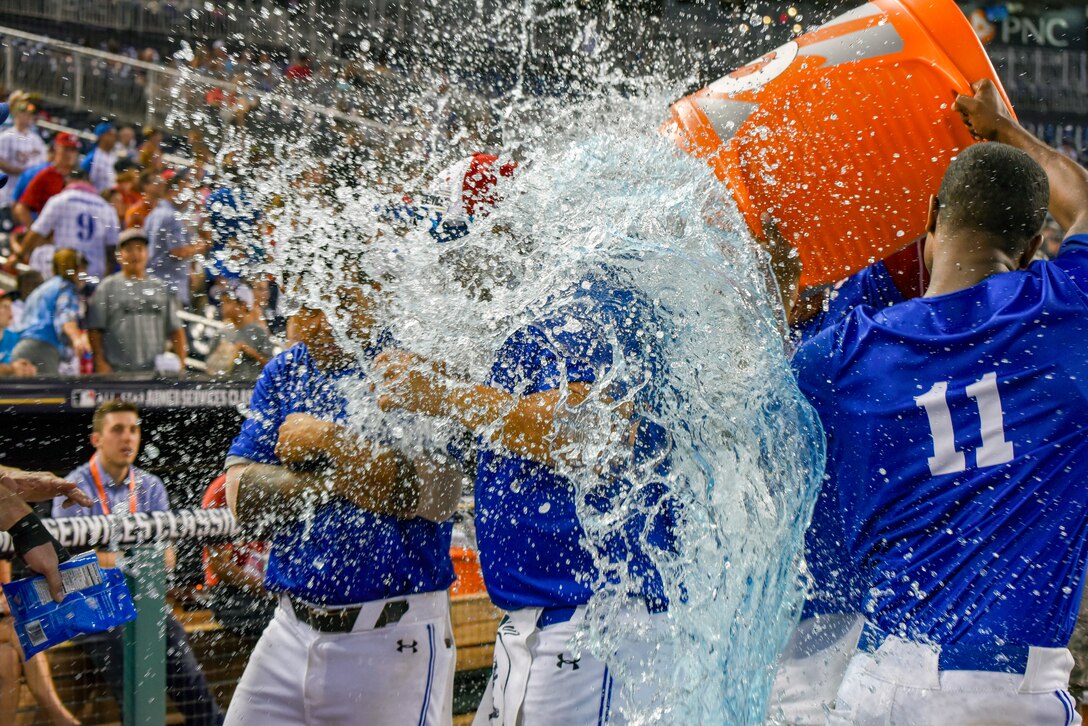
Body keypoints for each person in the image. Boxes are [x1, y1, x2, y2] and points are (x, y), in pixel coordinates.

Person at [788, 79, 1088, 724]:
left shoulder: (839, 357)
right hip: (1004, 692)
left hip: (875, 684)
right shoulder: (1069, 313)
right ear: (1036, 245)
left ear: (930, 218)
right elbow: (1084, 197)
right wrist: (1006, 129)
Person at [376, 267, 676, 724]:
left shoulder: (591, 295)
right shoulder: (540, 300)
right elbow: (515, 413)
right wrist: (445, 383)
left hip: (592, 621)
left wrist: (441, 393)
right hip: (540, 620)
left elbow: (594, 432)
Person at [221, 268, 461, 726]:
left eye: (325, 303)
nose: (306, 323)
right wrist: (356, 477)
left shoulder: (409, 367)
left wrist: (329, 443)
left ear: (365, 292)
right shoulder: (286, 369)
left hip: (392, 634)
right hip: (289, 628)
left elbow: (433, 494)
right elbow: (242, 498)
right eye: (303, 304)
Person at [52, 400, 223, 725]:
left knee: (181, 659)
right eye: (117, 430)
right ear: (97, 439)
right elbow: (76, 568)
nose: (128, 438)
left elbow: (166, 558)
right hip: (93, 605)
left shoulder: (150, 486)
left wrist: (113, 560)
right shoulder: (73, 488)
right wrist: (131, 560)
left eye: (133, 429)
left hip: (143, 599)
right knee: (131, 672)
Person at [86, 228, 186, 374]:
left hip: (154, 375)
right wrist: (100, 361)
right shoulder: (107, 288)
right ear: (119, 256)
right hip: (117, 372)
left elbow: (176, 330)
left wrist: (181, 364)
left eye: (140, 249)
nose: (135, 254)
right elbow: (95, 329)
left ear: (147, 253)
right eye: (129, 249)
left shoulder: (160, 287)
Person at [199, 474, 273, 637]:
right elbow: (219, 566)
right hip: (231, 591)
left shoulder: (278, 482)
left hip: (267, 583)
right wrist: (268, 589)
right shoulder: (222, 488)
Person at [20, 169, 121, 281]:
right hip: (94, 275)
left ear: (69, 181)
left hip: (66, 270)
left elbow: (37, 231)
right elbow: (111, 250)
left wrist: (18, 256)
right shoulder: (107, 208)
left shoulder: (61, 199)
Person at [9, 249, 90, 375]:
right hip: (43, 349)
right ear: (74, 268)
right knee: (48, 394)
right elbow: (66, 316)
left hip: (21, 349)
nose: (85, 274)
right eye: (83, 269)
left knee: (21, 394)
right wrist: (76, 338)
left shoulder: (45, 288)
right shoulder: (65, 288)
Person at [144, 169, 210, 306]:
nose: (189, 197)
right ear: (172, 191)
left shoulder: (154, 214)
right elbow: (177, 252)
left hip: (152, 283)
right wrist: (199, 246)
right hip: (169, 289)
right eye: (185, 191)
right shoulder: (172, 216)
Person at [204, 283, 273, 378]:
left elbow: (271, 366)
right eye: (222, 302)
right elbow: (209, 368)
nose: (223, 307)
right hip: (227, 390)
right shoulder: (222, 332)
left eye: (227, 302)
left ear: (243, 305)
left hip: (252, 389)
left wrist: (250, 352)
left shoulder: (258, 332)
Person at [13, 133, 81, 228]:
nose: (70, 154)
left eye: (73, 150)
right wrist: (33, 233)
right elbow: (20, 206)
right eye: (66, 149)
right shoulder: (44, 174)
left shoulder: (80, 176)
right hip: (47, 230)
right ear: (56, 148)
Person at [0, 99, 48, 223]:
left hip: (28, 195)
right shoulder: (6, 136)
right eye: (25, 113)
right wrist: (23, 173)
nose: (28, 116)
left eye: (30, 114)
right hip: (8, 192)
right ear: (16, 114)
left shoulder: (36, 139)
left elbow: (45, 162)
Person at [0, 291, 35, 377]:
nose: (10, 311)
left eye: (10, 306)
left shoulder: (16, 339)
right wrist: (10, 369)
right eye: (5, 306)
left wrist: (28, 369)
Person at [80, 123, 120, 193]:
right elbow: (82, 180)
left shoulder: (115, 158)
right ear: (101, 136)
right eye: (110, 135)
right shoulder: (92, 157)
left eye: (115, 136)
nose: (114, 138)